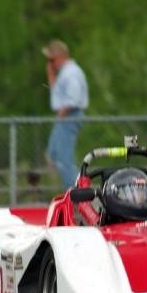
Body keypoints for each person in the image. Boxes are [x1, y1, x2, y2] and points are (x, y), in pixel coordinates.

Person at [42, 39, 89, 190]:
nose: (50, 63)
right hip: (64, 117)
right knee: (53, 154)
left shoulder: (71, 72)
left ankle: (76, 195)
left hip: (69, 116)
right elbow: (57, 95)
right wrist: (50, 74)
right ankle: (72, 189)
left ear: (61, 57)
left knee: (64, 160)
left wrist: (60, 116)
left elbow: (72, 100)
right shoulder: (63, 73)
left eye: (51, 59)